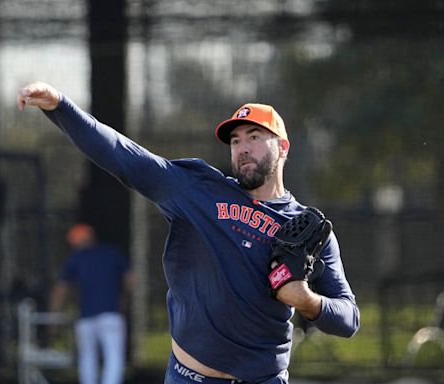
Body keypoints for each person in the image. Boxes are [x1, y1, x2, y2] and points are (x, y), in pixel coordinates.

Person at [18, 82, 360, 384]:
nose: (242, 148)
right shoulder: (197, 191)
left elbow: (348, 319)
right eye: (236, 140)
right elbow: (125, 157)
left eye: (255, 137)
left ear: (283, 147)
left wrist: (307, 301)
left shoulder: (308, 230)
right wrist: (60, 106)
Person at [49, 223, 133, 384]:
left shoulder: (74, 259)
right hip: (111, 314)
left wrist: (53, 318)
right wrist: (124, 299)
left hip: (86, 317)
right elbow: (130, 278)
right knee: (114, 357)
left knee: (87, 359)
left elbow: (60, 289)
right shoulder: (111, 253)